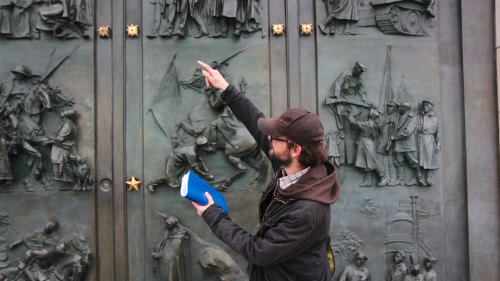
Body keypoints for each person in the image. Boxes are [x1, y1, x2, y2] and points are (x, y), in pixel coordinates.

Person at [192, 61, 341, 281]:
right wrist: (225, 88)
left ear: (295, 149)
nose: (269, 138)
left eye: (276, 137)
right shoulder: (293, 166)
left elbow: (258, 252)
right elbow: (256, 122)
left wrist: (212, 214)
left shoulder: (306, 212)